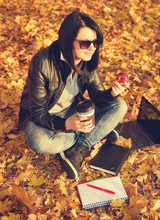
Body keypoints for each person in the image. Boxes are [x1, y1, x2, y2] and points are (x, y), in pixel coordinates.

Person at [18, 12, 128, 179]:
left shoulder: (88, 60)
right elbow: (37, 113)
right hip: (45, 117)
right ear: (68, 41)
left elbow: (97, 96)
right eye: (85, 43)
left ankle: (80, 147)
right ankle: (96, 133)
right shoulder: (42, 62)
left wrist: (111, 94)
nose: (92, 48)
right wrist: (66, 124)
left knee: (119, 105)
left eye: (96, 42)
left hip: (73, 110)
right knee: (39, 142)